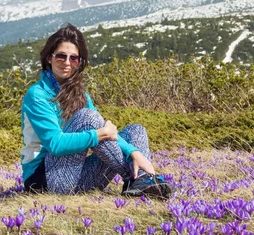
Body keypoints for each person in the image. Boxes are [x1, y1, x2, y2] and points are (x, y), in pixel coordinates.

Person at [20, 23, 174, 198]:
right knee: (88, 117)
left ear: (79, 62)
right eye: (61, 56)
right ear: (49, 58)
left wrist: (133, 151)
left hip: (76, 175)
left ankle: (141, 181)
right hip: (44, 180)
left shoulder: (80, 95)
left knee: (136, 130)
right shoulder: (37, 95)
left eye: (74, 58)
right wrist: (99, 133)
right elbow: (55, 144)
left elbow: (105, 132)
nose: (67, 63)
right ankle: (140, 179)